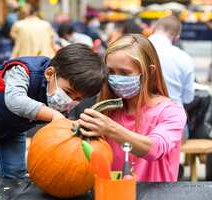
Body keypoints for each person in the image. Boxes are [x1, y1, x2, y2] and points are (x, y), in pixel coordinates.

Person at [0, 43, 107, 179]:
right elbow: (15, 100)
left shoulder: (61, 98)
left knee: (15, 174)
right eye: (68, 92)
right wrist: (54, 115)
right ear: (49, 74)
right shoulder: (23, 70)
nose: (71, 100)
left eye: (79, 99)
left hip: (12, 130)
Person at [78, 34, 187, 182]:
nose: (116, 78)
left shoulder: (171, 112)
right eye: (111, 72)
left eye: (124, 73)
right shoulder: (106, 110)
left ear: (150, 71)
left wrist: (110, 129)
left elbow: (155, 149)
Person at [149, 15, 195, 139]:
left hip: (138, 123)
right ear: (177, 37)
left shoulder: (136, 49)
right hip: (173, 125)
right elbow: (188, 98)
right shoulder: (183, 57)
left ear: (154, 28)